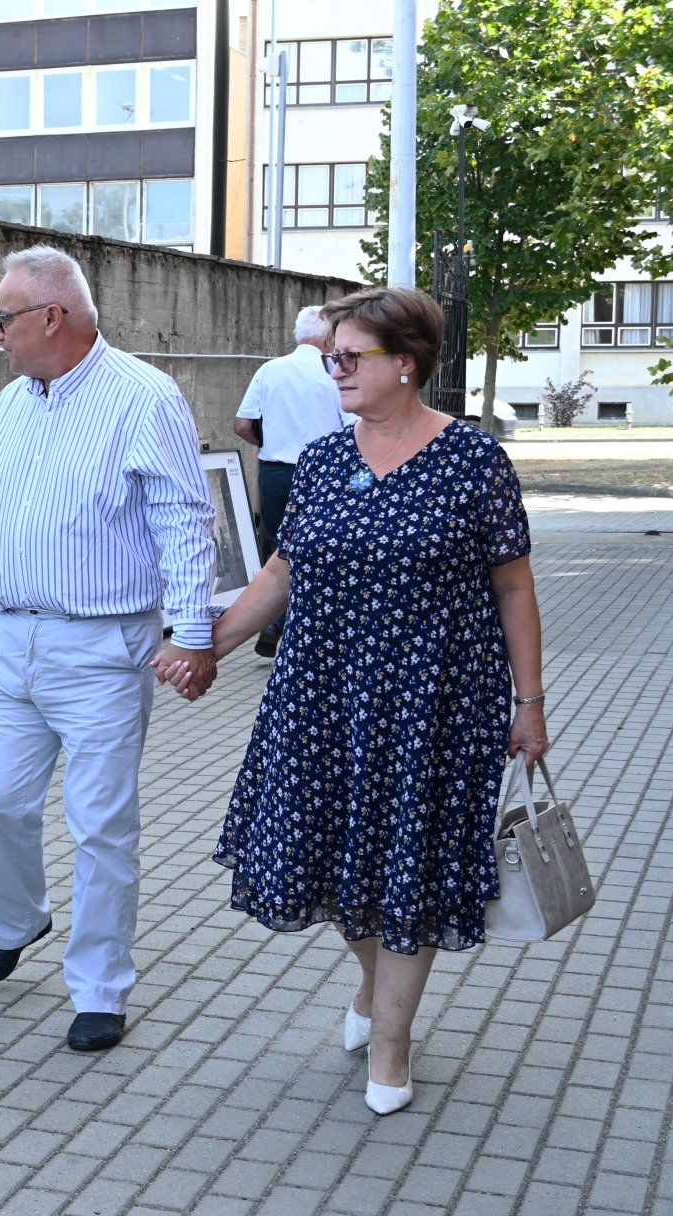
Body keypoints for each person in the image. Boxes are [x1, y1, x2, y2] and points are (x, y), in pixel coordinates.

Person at [156, 286, 548, 1115]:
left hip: (433, 705)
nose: (332, 369)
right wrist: (205, 646)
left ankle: (394, 1041)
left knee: (408, 871)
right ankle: (375, 986)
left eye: (349, 356)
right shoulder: (327, 459)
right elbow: (282, 575)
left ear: (405, 363)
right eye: (330, 355)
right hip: (323, 697)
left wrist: (530, 701)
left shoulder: (473, 463)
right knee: (331, 862)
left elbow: (513, 587)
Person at [0, 245, 217, 1053]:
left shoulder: (142, 398)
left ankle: (98, 986)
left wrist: (193, 634)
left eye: (3, 318)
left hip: (103, 647)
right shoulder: (6, 409)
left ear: (51, 317)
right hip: (12, 643)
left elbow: (182, 524)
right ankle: (18, 921)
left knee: (100, 825)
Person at [232, 305, 354, 657]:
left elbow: (242, 424)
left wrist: (270, 443)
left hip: (275, 472)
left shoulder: (269, 369)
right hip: (325, 473)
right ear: (329, 337)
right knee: (322, 549)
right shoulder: (333, 371)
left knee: (277, 550)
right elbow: (352, 427)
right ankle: (301, 624)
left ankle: (278, 620)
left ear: (296, 334)